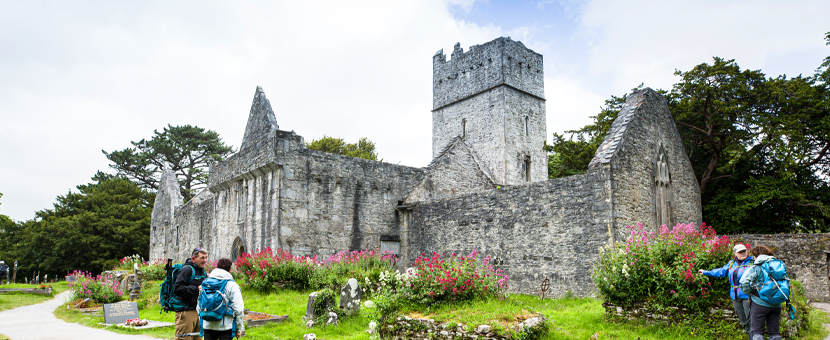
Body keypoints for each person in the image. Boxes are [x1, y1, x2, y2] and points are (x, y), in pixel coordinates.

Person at [699, 244, 754, 339]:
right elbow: (721, 272)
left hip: (748, 295)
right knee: (743, 321)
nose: (743, 253)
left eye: (744, 251)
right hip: (735, 296)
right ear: (735, 253)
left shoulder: (752, 263)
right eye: (740, 252)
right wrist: (706, 272)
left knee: (751, 321)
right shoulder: (732, 264)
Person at [740, 245, 783, 340]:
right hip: (776, 304)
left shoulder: (756, 267)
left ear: (756, 256)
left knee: (757, 333)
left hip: (759, 303)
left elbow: (743, 282)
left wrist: (748, 291)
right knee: (775, 333)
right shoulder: (777, 265)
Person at [199, 258, 245, 340]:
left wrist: (202, 324)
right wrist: (239, 328)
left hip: (208, 325)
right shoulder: (232, 285)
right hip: (225, 327)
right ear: (230, 270)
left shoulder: (206, 283)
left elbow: (199, 305)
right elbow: (238, 309)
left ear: (217, 267)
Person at [174, 248, 208, 340]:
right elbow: (177, 289)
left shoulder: (202, 271)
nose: (204, 260)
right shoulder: (187, 270)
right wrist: (196, 289)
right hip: (186, 312)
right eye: (202, 258)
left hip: (199, 312)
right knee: (183, 338)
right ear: (193, 259)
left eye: (206, 258)